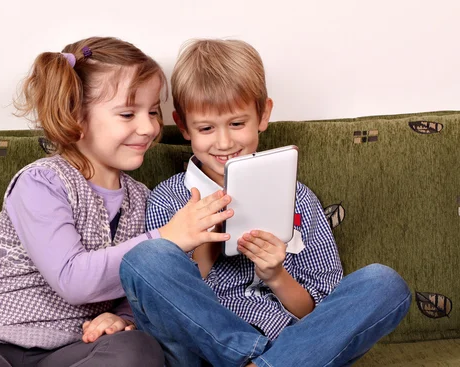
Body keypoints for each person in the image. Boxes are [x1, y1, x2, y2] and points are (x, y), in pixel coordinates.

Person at [0, 36, 230, 367]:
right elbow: (73, 279)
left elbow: (140, 288)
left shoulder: (142, 198)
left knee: (139, 349)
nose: (149, 127)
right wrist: (167, 238)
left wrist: (120, 316)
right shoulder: (42, 182)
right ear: (76, 116)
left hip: (70, 352)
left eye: (154, 111)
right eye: (128, 114)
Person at [119, 39, 412, 367]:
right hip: (202, 353)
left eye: (237, 123)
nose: (224, 141)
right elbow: (169, 302)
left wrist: (275, 274)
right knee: (145, 258)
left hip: (291, 344)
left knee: (383, 283)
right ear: (184, 126)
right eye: (206, 128)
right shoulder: (168, 199)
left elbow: (322, 313)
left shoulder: (298, 197)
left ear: (263, 114)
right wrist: (204, 242)